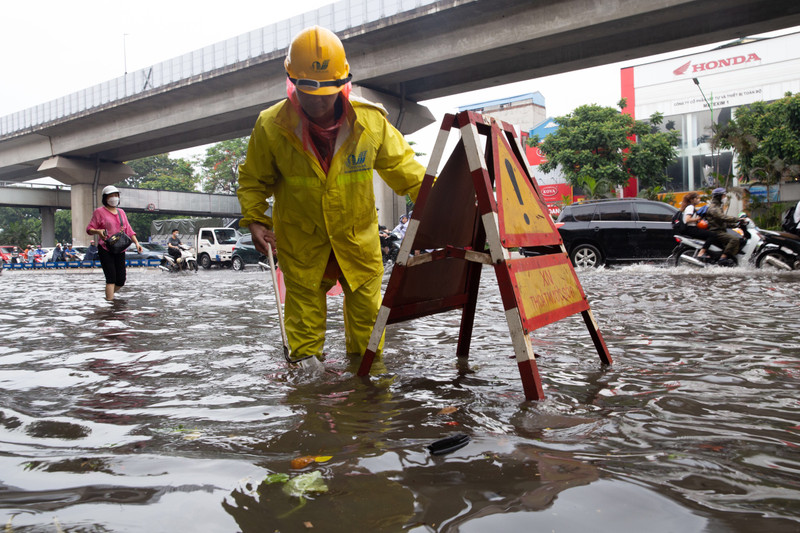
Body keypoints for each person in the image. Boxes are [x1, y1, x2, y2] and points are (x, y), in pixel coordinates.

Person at [237, 25, 424, 363]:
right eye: (310, 93)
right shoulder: (271, 126)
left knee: (369, 340)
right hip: (302, 246)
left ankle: (367, 404)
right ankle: (309, 405)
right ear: (292, 82)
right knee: (305, 345)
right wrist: (255, 220)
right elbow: (252, 181)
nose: (320, 102)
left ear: (343, 84)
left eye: (329, 93)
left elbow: (409, 174)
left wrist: (451, 205)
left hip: (358, 244)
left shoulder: (371, 122)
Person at [86, 185, 143, 301]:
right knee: (111, 278)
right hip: (105, 248)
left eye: (116, 195)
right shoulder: (99, 212)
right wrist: (98, 231)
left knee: (121, 280)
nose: (114, 198)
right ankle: (110, 306)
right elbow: (89, 229)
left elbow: (129, 230)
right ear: (105, 198)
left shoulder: (121, 212)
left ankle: (107, 297)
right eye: (111, 195)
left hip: (120, 249)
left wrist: (137, 243)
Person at [705, 187, 742, 267]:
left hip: (721, 230)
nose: (725, 198)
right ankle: (723, 258)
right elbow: (723, 217)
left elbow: (723, 222)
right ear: (719, 197)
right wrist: (737, 219)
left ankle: (730, 257)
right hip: (717, 231)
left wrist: (736, 225)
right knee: (734, 239)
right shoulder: (714, 208)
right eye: (723, 196)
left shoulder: (718, 207)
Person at [679, 192, 715, 261]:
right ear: (692, 200)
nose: (699, 200)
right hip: (691, 229)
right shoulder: (690, 207)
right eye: (697, 198)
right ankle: (701, 253)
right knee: (712, 235)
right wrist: (698, 219)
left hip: (692, 228)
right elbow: (687, 219)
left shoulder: (691, 207)